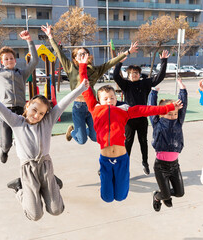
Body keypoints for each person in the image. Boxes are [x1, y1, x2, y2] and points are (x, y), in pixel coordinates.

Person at [0, 75, 89, 221]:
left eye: (41, 113)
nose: (36, 115)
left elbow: (62, 103)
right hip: (27, 169)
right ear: (28, 105)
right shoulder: (16, 122)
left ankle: (53, 183)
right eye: (35, 110)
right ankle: (19, 188)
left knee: (57, 210)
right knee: (35, 215)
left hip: (45, 167)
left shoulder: (47, 122)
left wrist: (81, 88)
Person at [78, 54, 183, 202]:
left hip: (122, 159)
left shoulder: (124, 110)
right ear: (99, 100)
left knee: (121, 197)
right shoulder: (94, 109)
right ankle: (105, 179)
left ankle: (117, 181)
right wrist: (82, 66)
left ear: (116, 98)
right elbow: (85, 86)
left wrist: (169, 107)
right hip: (105, 160)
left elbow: (146, 110)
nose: (109, 101)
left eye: (112, 98)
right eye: (105, 98)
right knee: (107, 198)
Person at [41, 23, 138, 145]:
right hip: (78, 107)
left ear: (88, 56)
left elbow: (109, 63)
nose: (82, 56)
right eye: (79, 54)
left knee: (95, 137)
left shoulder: (95, 70)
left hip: (92, 106)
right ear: (75, 58)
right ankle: (73, 132)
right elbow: (59, 53)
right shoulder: (70, 68)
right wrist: (50, 36)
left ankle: (80, 131)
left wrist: (128, 52)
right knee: (82, 140)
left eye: (84, 53)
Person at [0, 27, 38, 164]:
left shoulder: (22, 74)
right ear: (2, 62)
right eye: (6, 59)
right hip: (5, 110)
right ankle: (4, 150)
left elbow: (34, 61)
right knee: (6, 142)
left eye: (11, 58)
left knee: (24, 137)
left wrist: (29, 40)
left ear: (15, 60)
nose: (9, 60)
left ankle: (26, 156)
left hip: (21, 110)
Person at [113, 50, 170, 175]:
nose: (134, 75)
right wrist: (119, 62)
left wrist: (164, 61)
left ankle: (145, 163)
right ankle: (124, 167)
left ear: (139, 74)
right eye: (131, 73)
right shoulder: (126, 85)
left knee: (143, 142)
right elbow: (115, 76)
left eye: (136, 73)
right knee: (128, 143)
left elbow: (160, 77)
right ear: (128, 75)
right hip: (129, 119)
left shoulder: (145, 83)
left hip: (142, 118)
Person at [148, 78, 187, 212]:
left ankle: (166, 194)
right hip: (160, 166)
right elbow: (152, 107)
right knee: (165, 194)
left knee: (180, 193)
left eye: (175, 113)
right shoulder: (157, 122)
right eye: (169, 113)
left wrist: (182, 89)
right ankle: (158, 197)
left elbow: (183, 106)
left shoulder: (178, 122)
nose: (172, 116)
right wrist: (153, 91)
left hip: (175, 166)